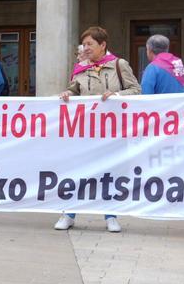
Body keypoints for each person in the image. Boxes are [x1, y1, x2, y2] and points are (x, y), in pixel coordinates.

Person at [56, 26, 141, 233]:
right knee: (78, 171)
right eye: (84, 44)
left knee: (109, 174)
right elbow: (75, 89)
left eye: (90, 44)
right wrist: (67, 93)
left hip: (111, 130)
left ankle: (111, 215)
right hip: (86, 129)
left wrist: (117, 96)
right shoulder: (81, 67)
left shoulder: (119, 65)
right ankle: (69, 213)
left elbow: (136, 90)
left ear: (103, 45)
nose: (86, 48)